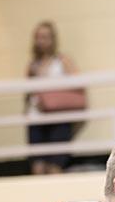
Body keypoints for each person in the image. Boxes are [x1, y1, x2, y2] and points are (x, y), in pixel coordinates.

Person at [26, 21, 79, 175]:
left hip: (59, 117)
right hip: (37, 117)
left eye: (45, 37)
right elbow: (27, 94)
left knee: (55, 165)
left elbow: (78, 86)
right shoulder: (32, 65)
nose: (41, 41)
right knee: (38, 165)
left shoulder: (63, 61)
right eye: (38, 37)